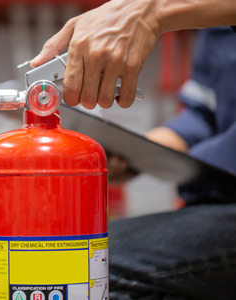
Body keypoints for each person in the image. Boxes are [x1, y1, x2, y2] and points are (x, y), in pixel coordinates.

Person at [31, 0, 236, 299]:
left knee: (78, 266)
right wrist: (136, 153)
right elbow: (205, 114)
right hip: (219, 199)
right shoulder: (218, 31)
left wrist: (150, 10)